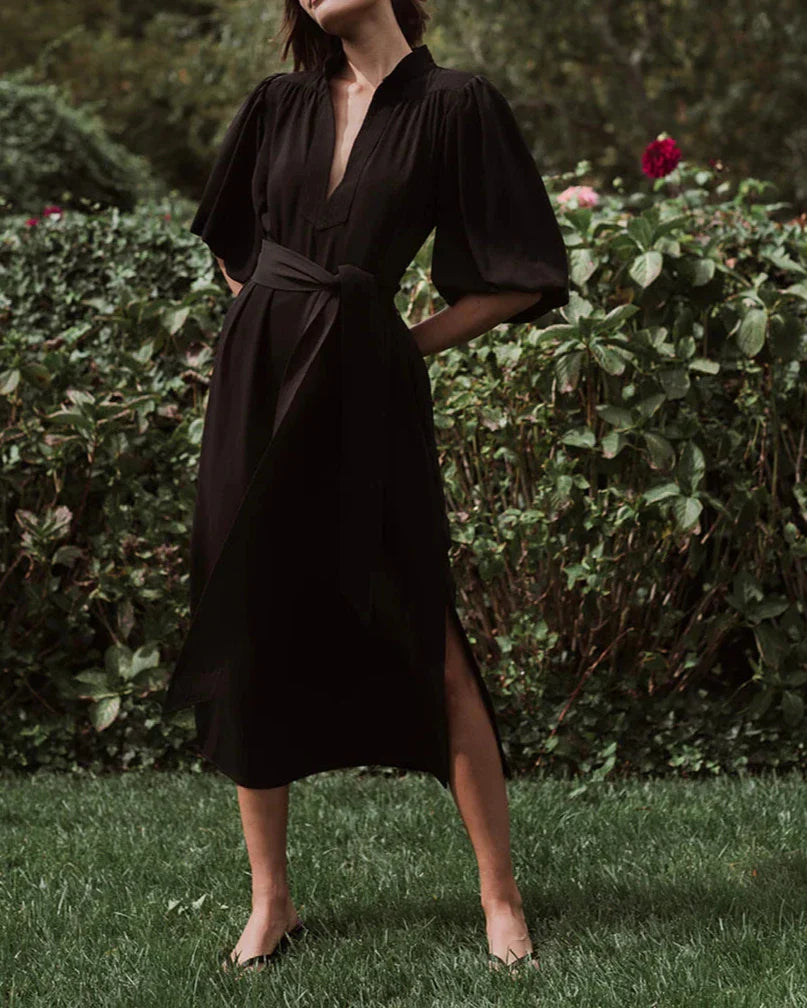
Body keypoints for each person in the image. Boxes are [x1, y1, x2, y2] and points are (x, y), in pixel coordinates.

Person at [161, 0, 569, 975]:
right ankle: (273, 903)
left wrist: (390, 341)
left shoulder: (456, 104)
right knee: (249, 623)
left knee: (426, 628)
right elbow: (231, 241)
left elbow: (525, 272)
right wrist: (278, 323)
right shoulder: (276, 103)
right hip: (255, 398)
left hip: (366, 400)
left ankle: (500, 897)